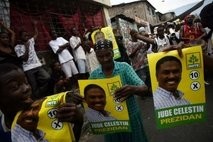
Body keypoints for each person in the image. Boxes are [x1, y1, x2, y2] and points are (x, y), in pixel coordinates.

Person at [0, 63, 83, 142]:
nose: (26, 88)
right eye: (15, 86)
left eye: (26, 82)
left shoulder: (41, 113)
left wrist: (78, 122)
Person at [89, 39, 148, 142]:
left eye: (107, 54)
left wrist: (133, 89)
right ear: (96, 57)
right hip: (110, 122)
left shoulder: (124, 68)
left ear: (112, 52)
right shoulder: (94, 75)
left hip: (131, 117)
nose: (105, 59)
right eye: (100, 56)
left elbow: (144, 88)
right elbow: (87, 97)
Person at [14, 21, 50, 99]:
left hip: (37, 66)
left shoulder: (30, 41)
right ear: (20, 37)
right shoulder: (17, 47)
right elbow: (24, 59)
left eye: (27, 35)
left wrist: (35, 26)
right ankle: (38, 99)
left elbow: (36, 34)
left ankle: (42, 94)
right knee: (34, 86)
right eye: (24, 36)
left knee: (47, 78)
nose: (27, 37)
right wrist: (26, 47)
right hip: (28, 69)